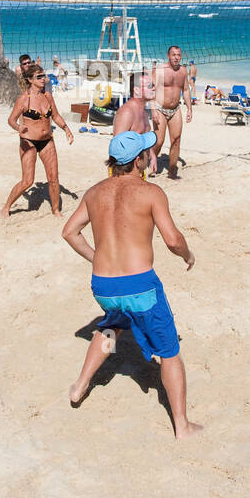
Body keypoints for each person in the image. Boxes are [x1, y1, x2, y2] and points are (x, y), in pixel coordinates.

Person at [61, 130, 200, 438]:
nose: (149, 157)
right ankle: (183, 425)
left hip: (104, 286)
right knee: (169, 352)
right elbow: (173, 240)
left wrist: (97, 258)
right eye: (146, 153)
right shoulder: (151, 192)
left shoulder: (94, 192)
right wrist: (188, 255)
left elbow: (69, 232)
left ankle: (79, 386)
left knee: (112, 325)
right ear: (138, 160)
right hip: (140, 286)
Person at [3, 64, 74, 217]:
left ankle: (56, 210)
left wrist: (66, 129)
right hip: (28, 142)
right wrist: (18, 127)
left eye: (44, 76)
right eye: (39, 77)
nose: (43, 79)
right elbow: (11, 119)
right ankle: (7, 206)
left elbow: (55, 116)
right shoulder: (23, 99)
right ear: (30, 80)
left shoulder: (48, 96)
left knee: (53, 178)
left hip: (47, 141)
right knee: (28, 181)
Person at [149, 46, 193, 179]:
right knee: (159, 141)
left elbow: (185, 90)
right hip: (160, 108)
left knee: (176, 140)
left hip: (175, 109)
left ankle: (172, 170)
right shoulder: (160, 70)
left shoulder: (183, 71)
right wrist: (153, 110)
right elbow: (151, 91)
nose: (176, 57)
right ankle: (152, 163)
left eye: (178, 55)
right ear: (168, 56)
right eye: (173, 55)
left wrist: (190, 108)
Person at [112, 71, 159, 174]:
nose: (154, 88)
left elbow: (144, 138)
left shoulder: (144, 112)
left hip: (138, 171)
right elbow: (117, 147)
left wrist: (152, 156)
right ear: (136, 91)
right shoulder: (127, 112)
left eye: (153, 85)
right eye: (149, 86)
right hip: (126, 172)